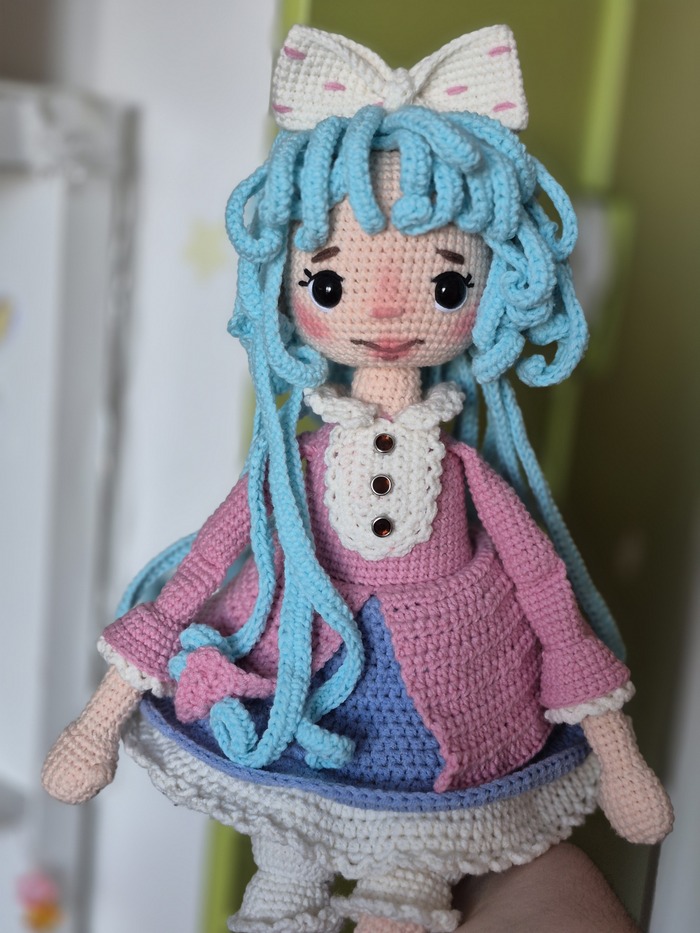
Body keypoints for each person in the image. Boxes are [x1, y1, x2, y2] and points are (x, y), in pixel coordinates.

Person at [42, 25, 672, 933]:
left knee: (406, 897)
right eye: (330, 285)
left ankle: (401, 899)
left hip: (446, 710)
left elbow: (545, 587)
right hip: (302, 697)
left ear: (491, 289)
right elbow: (200, 571)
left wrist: (618, 756)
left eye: (445, 287)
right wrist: (101, 717)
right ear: (286, 289)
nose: (381, 310)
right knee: (282, 882)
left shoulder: (469, 470)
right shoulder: (293, 464)